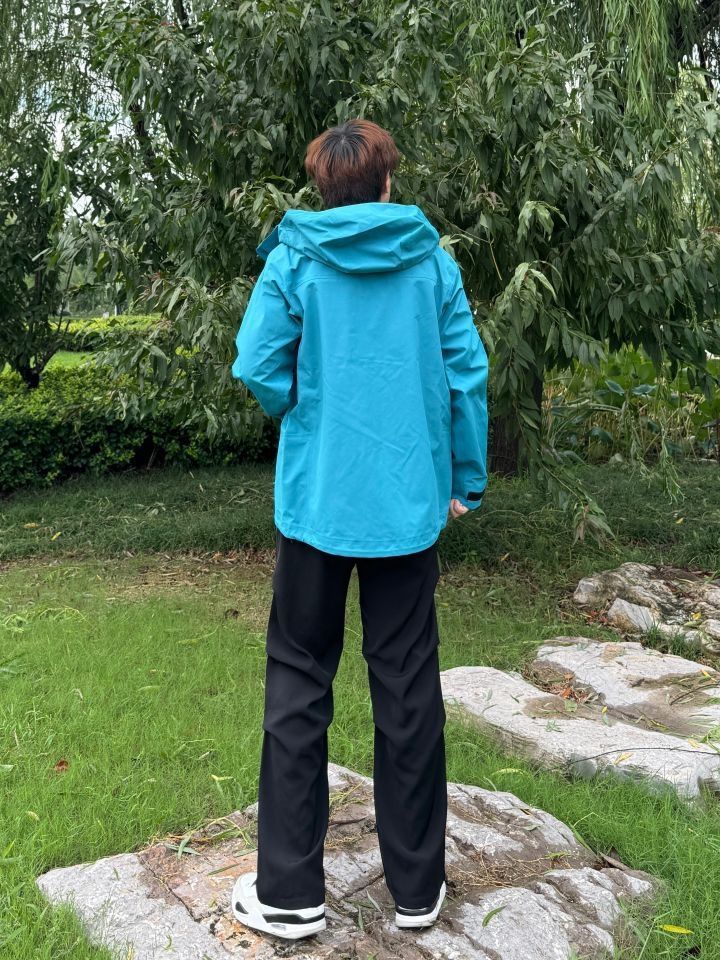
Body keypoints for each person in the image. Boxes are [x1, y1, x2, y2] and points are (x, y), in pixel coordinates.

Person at [230, 119, 488, 941]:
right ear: (385, 184)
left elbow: (256, 363)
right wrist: (465, 479)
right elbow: (466, 374)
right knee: (407, 685)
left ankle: (289, 893)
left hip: (317, 502)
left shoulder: (294, 259)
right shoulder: (431, 263)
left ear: (324, 189)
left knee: (298, 680)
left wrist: (300, 405)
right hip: (407, 505)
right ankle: (416, 889)